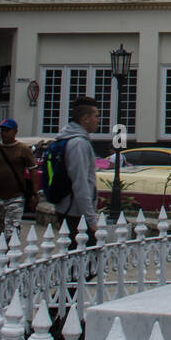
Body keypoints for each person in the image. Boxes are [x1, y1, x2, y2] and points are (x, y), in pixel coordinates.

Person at [54, 96, 100, 247]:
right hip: (75, 214)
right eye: (96, 116)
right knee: (84, 262)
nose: (98, 120)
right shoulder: (78, 144)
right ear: (85, 118)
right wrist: (91, 219)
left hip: (71, 211)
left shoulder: (74, 140)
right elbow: (80, 184)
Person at [0, 118, 37, 238]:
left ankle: (12, 251)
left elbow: (33, 171)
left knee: (12, 228)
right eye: (2, 130)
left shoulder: (23, 149)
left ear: (15, 132)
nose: (4, 133)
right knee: (0, 228)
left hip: (16, 196)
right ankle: (2, 252)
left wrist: (34, 193)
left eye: (7, 130)